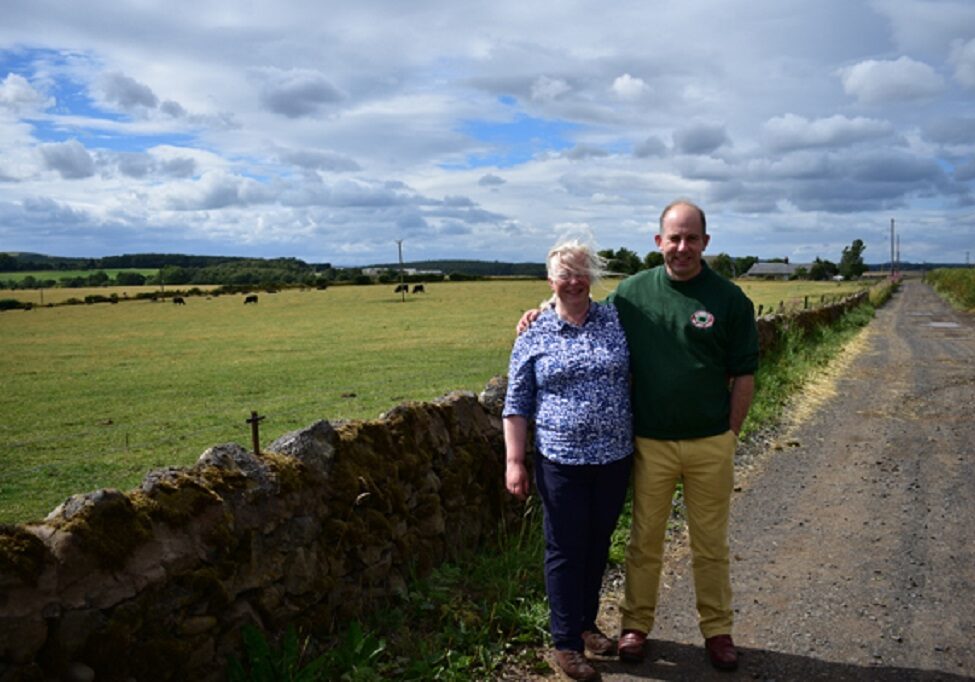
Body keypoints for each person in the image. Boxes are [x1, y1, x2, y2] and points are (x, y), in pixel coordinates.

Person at [517, 200, 758, 672]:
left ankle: (718, 630)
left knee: (710, 543)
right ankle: (634, 627)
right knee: (644, 541)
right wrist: (540, 311)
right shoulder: (631, 294)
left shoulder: (730, 299)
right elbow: (577, 305)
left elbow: (744, 374)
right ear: (659, 242)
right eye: (674, 238)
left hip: (711, 442)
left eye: (691, 238)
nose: (682, 247)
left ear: (706, 242)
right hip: (649, 444)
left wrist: (730, 434)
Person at [503, 239, 634, 682]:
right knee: (564, 547)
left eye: (582, 272)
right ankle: (565, 643)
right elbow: (516, 402)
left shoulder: (615, 319)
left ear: (592, 278)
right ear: (550, 280)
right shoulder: (534, 332)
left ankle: (585, 622)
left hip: (614, 458)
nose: (574, 281)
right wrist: (515, 461)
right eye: (565, 273)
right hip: (560, 460)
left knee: (598, 544)